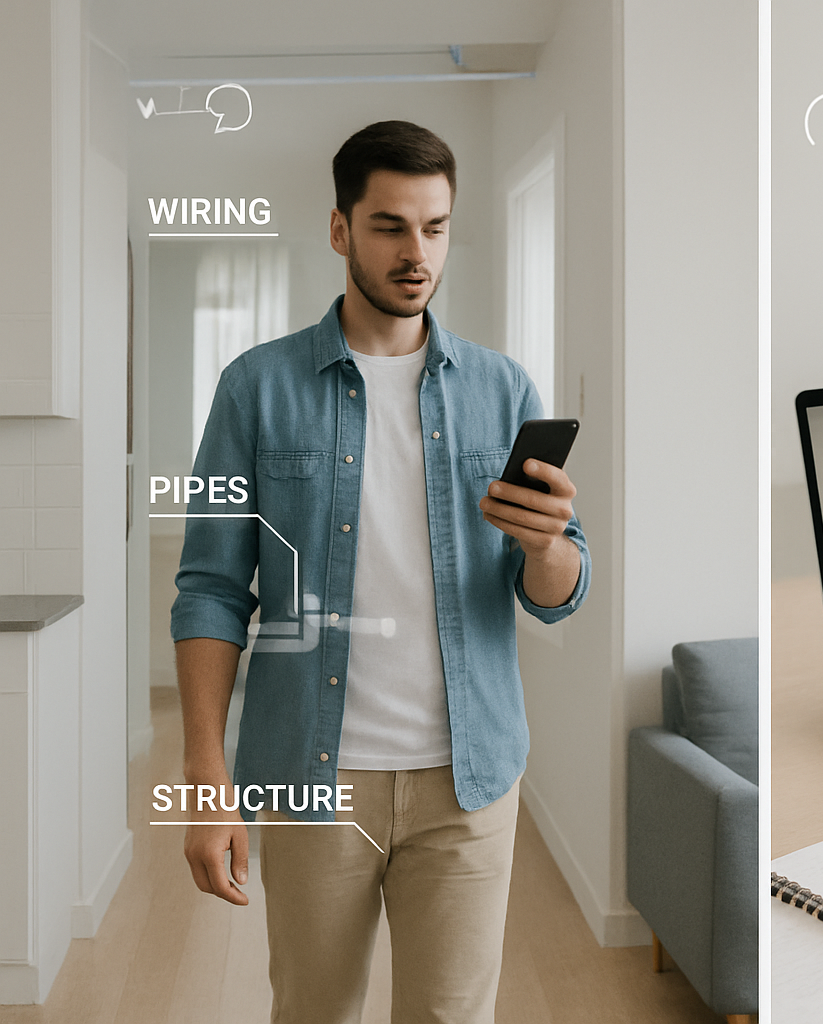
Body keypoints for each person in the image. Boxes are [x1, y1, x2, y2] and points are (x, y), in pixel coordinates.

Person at [171, 120, 591, 1023]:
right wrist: (207, 781)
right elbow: (209, 590)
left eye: (435, 228)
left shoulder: (504, 390)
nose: (417, 253)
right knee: (315, 1010)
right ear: (339, 230)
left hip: (469, 780)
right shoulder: (256, 388)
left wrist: (549, 546)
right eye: (391, 226)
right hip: (312, 777)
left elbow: (553, 598)